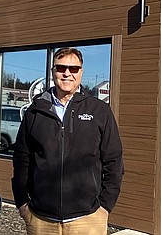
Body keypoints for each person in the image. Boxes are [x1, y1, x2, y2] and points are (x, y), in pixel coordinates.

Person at [12, 47, 124, 235]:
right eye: (61, 68)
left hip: (87, 219)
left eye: (73, 69)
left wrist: (104, 207)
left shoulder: (99, 111)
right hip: (41, 219)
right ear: (53, 71)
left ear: (81, 72)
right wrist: (22, 203)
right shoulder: (35, 111)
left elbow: (114, 161)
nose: (67, 74)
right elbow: (22, 158)